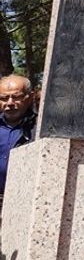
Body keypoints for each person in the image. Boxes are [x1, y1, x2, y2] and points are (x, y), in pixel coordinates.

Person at [0, 75, 38, 206]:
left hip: (22, 203)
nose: (9, 103)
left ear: (30, 97)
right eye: (4, 98)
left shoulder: (40, 129)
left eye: (16, 97)